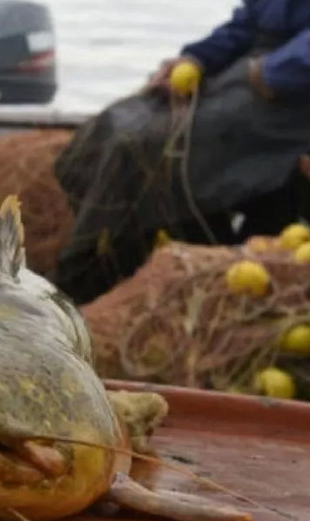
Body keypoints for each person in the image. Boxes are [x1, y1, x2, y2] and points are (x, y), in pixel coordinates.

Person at [52, 0, 310, 306]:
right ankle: (120, 258)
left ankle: (84, 280)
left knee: (142, 149)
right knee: (116, 128)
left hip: (291, 92)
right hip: (254, 69)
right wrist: (196, 58)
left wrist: (274, 73)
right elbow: (247, 23)